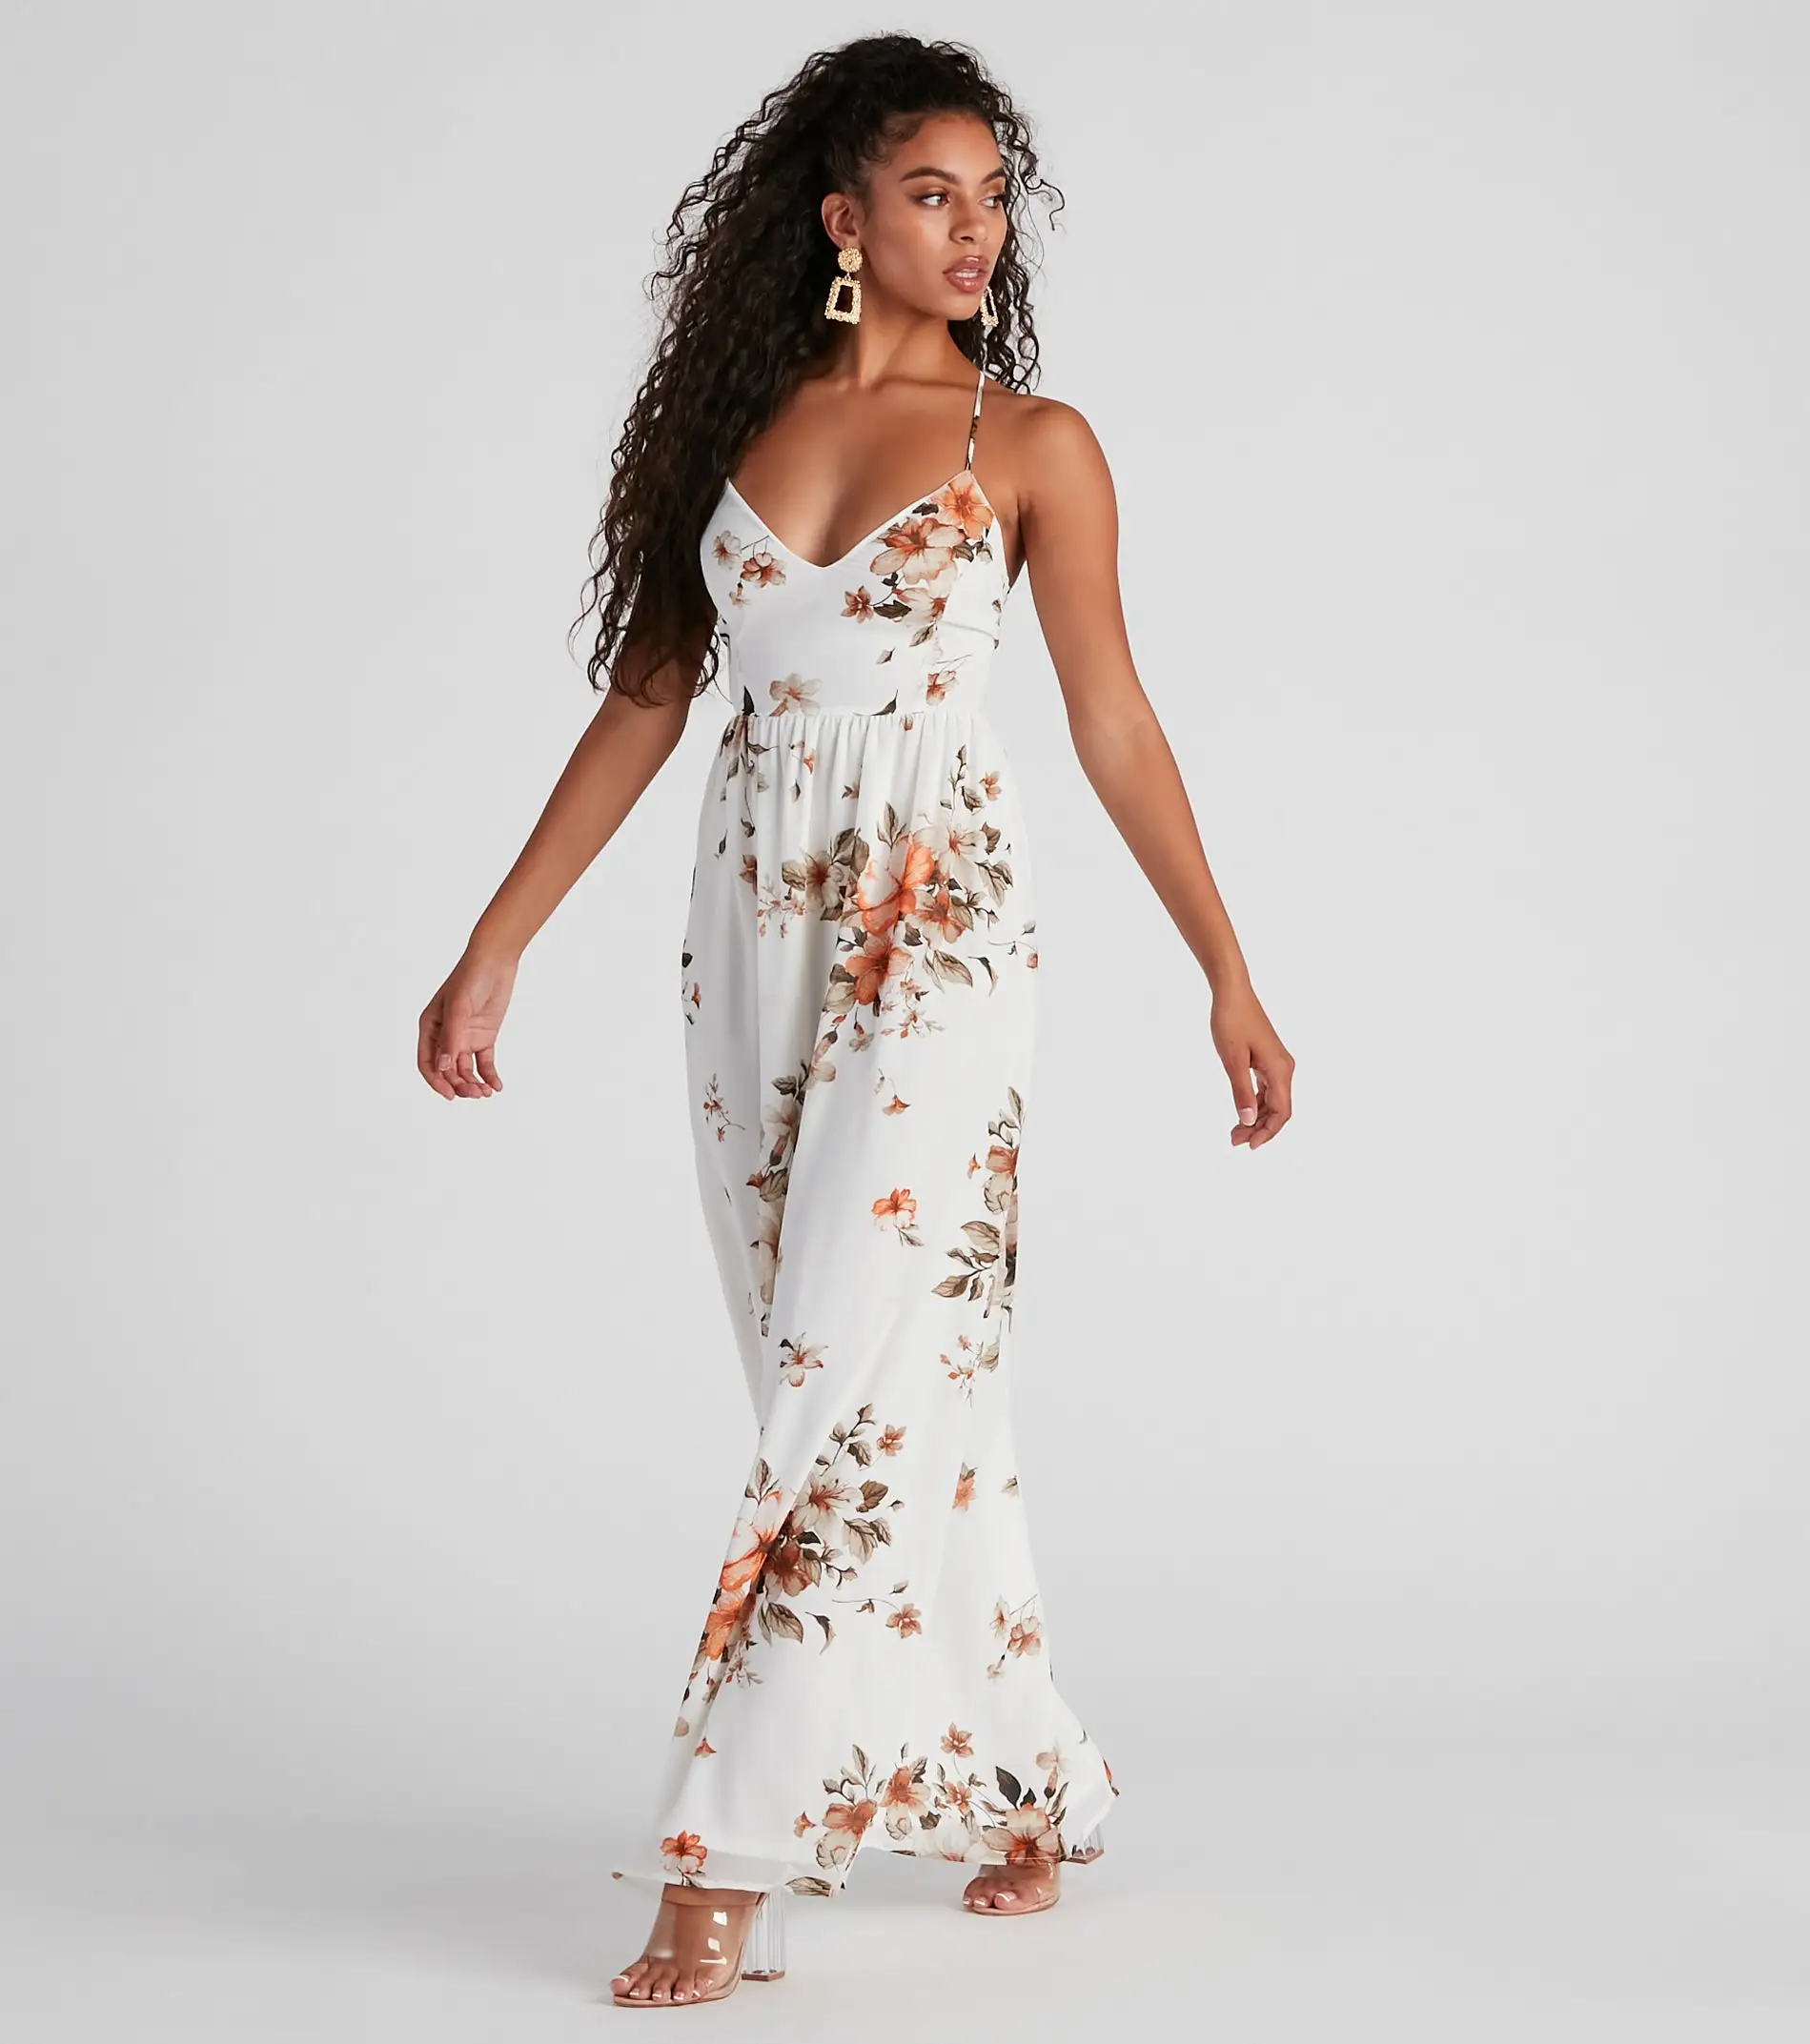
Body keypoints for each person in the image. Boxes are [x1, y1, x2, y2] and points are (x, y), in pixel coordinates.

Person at [416, 31, 1293, 2012]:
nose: (976, 231)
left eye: (994, 200)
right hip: (750, 931)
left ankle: (722, 1859)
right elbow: (646, 704)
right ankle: (1021, 1775)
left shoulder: (1032, 443)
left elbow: (1113, 719)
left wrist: (1223, 968)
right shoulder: (728, 431)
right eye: (931, 194)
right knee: (872, 1383)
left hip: (942, 922)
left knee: (846, 1367)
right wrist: (498, 942)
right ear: (840, 218)